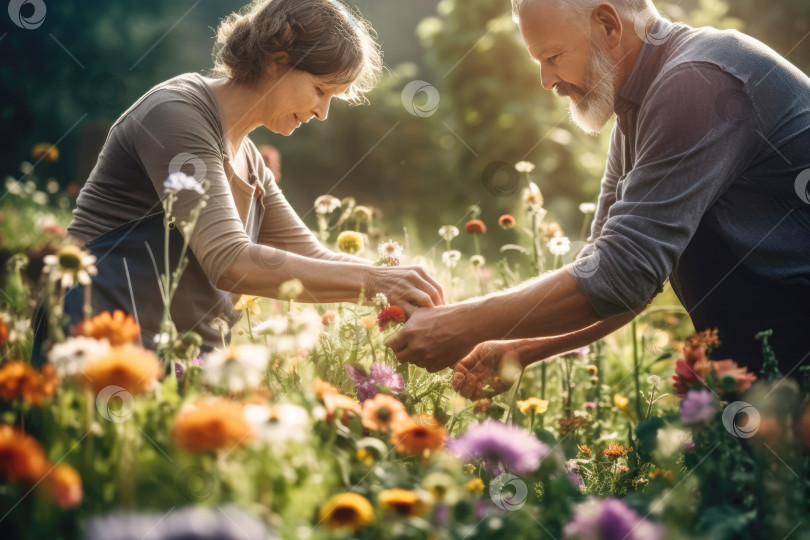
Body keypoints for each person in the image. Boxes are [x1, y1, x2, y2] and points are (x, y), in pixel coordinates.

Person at [388, 0, 810, 399]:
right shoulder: (636, 106)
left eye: (552, 57)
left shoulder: (699, 82)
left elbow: (620, 273)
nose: (546, 81)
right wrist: (518, 348)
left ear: (608, 25)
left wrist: (463, 324)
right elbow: (623, 279)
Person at [57, 0, 443, 350]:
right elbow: (230, 261)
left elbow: (310, 255)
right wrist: (376, 283)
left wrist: (401, 282)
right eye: (320, 89)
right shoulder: (176, 113)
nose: (323, 112)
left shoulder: (251, 160)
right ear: (277, 60)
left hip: (178, 360)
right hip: (101, 343)